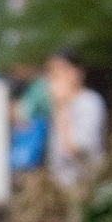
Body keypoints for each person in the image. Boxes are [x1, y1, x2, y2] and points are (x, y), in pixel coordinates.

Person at [44, 49, 107, 187]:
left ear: (77, 72)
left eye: (60, 70)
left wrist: (62, 106)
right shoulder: (57, 104)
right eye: (51, 71)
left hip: (85, 185)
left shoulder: (90, 102)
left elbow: (75, 148)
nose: (54, 76)